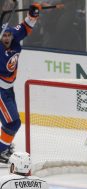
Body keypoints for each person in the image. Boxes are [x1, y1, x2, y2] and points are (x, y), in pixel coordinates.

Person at [0, 3, 41, 164]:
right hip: (1, 91)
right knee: (13, 122)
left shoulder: (13, 36)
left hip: (9, 89)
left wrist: (33, 14)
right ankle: (1, 150)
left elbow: (25, 26)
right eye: (4, 36)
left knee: (8, 123)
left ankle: (4, 145)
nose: (7, 38)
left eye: (8, 35)